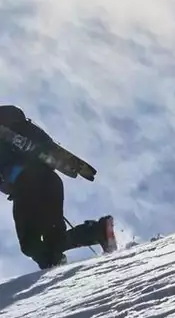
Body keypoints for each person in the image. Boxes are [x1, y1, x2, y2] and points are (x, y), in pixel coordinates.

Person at [0, 105, 117, 270]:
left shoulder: (7, 128)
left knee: (30, 245)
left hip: (28, 185)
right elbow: (44, 144)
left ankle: (55, 261)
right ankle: (95, 233)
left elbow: (35, 143)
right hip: (48, 182)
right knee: (53, 241)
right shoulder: (16, 125)